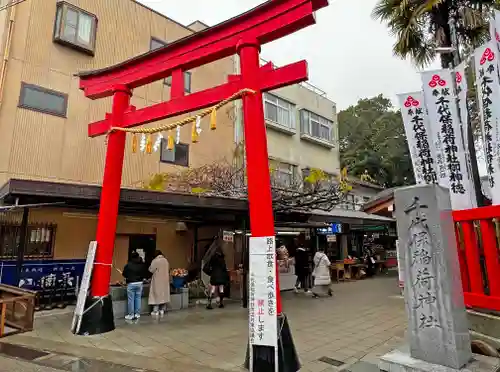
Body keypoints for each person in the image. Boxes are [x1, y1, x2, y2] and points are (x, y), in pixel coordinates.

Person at [122, 252, 147, 320]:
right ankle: (137, 314)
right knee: (138, 298)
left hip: (131, 283)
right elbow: (144, 273)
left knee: (131, 299)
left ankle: (131, 315)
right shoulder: (141, 265)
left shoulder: (128, 265)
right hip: (139, 283)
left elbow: (124, 274)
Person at [148, 250, 170, 317]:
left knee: (156, 294)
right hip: (165, 280)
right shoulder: (165, 260)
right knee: (163, 294)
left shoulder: (155, 261)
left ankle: (155, 310)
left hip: (157, 280)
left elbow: (151, 270)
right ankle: (162, 310)